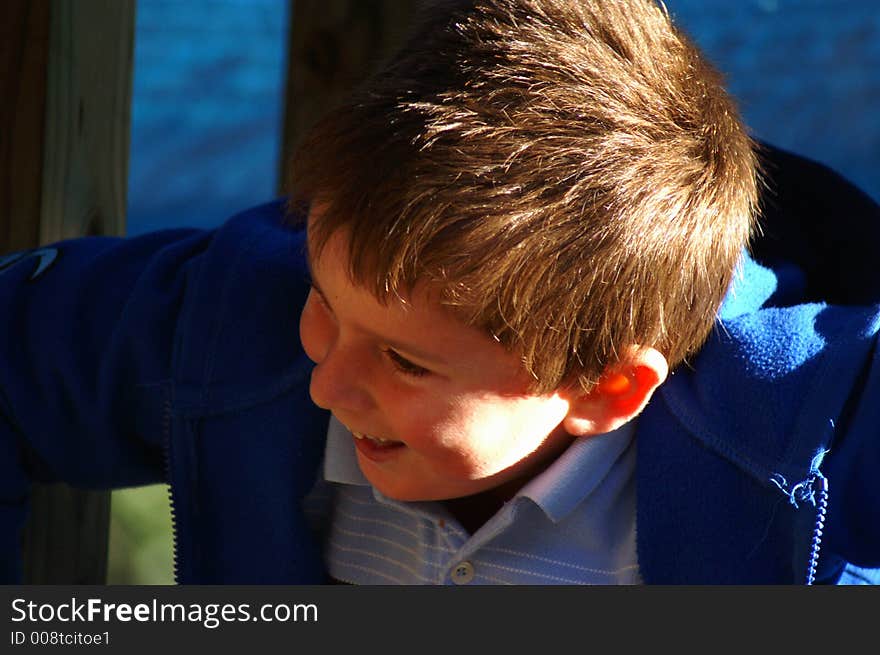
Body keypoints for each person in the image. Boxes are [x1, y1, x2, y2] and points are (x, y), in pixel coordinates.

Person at [1, 0, 878, 585]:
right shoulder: (241, 326)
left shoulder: (805, 449)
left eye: (404, 360)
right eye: (324, 299)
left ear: (606, 386)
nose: (326, 384)